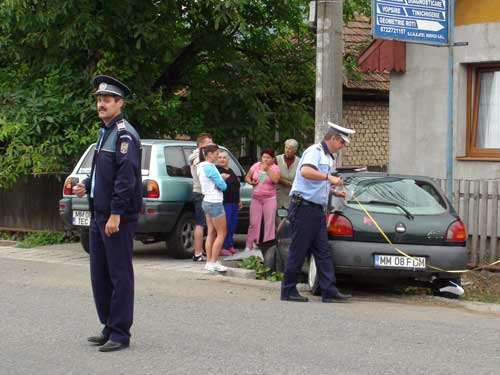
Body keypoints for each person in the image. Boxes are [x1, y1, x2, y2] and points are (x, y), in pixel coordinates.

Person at [73, 75, 142, 352]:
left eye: (107, 100)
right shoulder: (105, 132)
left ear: (119, 103)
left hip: (116, 218)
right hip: (98, 214)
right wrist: (86, 185)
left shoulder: (125, 134)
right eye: (99, 100)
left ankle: (120, 334)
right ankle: (108, 327)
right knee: (99, 274)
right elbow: (103, 173)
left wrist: (116, 213)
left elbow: (126, 179)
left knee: (119, 274)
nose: (101, 104)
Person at [281, 122, 354, 303]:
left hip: (316, 209)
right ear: (334, 138)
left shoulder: (329, 157)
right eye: (342, 143)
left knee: (323, 251)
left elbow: (318, 182)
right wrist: (329, 177)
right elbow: (306, 171)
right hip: (303, 207)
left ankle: (328, 290)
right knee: (299, 250)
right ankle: (288, 290)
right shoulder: (315, 152)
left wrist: (334, 191)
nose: (343, 146)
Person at [197, 144, 228, 272]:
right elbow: (223, 186)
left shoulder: (200, 166)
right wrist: (222, 179)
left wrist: (219, 179)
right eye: (216, 154)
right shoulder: (210, 167)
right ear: (210, 154)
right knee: (222, 233)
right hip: (215, 201)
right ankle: (213, 262)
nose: (217, 156)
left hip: (206, 200)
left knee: (211, 232)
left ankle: (209, 261)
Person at [244, 147, 281, 251]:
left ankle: (268, 247)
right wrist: (251, 182)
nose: (265, 159)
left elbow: (276, 180)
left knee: (269, 223)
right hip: (256, 197)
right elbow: (247, 177)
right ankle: (250, 245)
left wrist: (267, 169)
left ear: (273, 159)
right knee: (253, 223)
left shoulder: (275, 168)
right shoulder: (256, 165)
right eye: (264, 157)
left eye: (268, 157)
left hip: (269, 198)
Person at [189, 133, 213, 262]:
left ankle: (201, 251)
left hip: (202, 192)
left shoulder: (197, 155)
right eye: (209, 143)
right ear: (201, 144)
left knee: (203, 222)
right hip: (201, 192)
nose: (212, 146)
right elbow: (204, 174)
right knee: (201, 223)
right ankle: (197, 252)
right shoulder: (198, 157)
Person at [216, 150, 242, 256]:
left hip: (234, 202)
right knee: (224, 226)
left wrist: (239, 200)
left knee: (232, 225)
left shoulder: (231, 171)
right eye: (220, 157)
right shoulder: (217, 170)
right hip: (224, 202)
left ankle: (230, 244)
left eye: (224, 157)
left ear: (228, 160)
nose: (222, 159)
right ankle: (222, 246)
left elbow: (236, 186)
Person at [276, 139, 300, 209]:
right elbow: (272, 175)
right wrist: (283, 181)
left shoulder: (300, 161)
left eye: (290, 149)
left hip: (293, 195)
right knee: (278, 218)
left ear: (295, 150)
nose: (287, 150)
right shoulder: (277, 159)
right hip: (279, 194)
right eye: (286, 148)